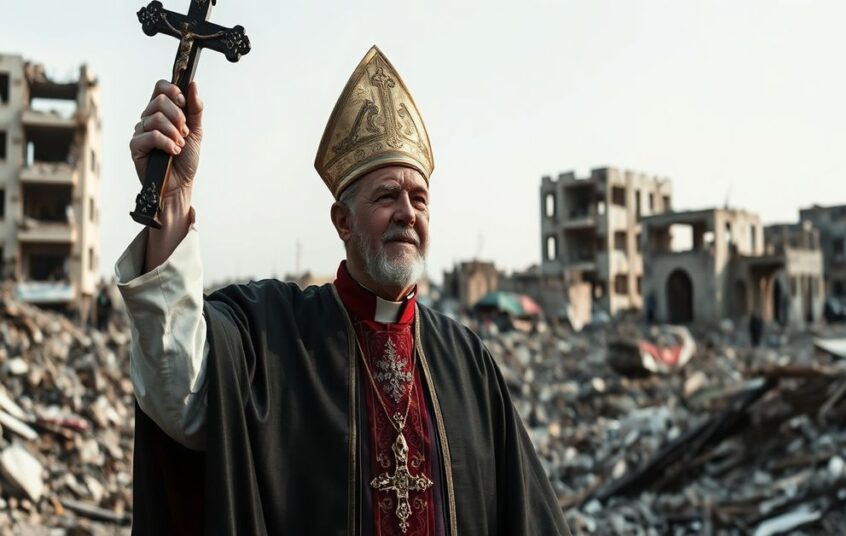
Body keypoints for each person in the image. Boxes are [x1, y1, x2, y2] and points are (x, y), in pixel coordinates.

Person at [116, 46, 570, 535]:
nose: (407, 213)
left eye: (419, 198)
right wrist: (174, 195)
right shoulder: (275, 336)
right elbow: (175, 386)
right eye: (387, 196)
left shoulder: (467, 363)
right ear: (342, 221)